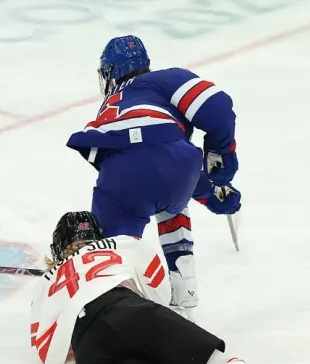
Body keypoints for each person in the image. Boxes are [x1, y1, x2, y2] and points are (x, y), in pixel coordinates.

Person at [30, 211, 290, 364]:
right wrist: (154, 331)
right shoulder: (121, 243)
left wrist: (82, 355)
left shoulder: (45, 283)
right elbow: (156, 282)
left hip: (89, 349)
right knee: (197, 354)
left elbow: (47, 351)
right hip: (130, 310)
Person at [66, 35, 241, 316]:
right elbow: (217, 108)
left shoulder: (112, 104)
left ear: (109, 71)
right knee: (174, 204)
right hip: (179, 164)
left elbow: (140, 166)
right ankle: (185, 291)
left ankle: (108, 296)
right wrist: (220, 159)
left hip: (121, 173)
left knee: (111, 254)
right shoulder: (164, 80)